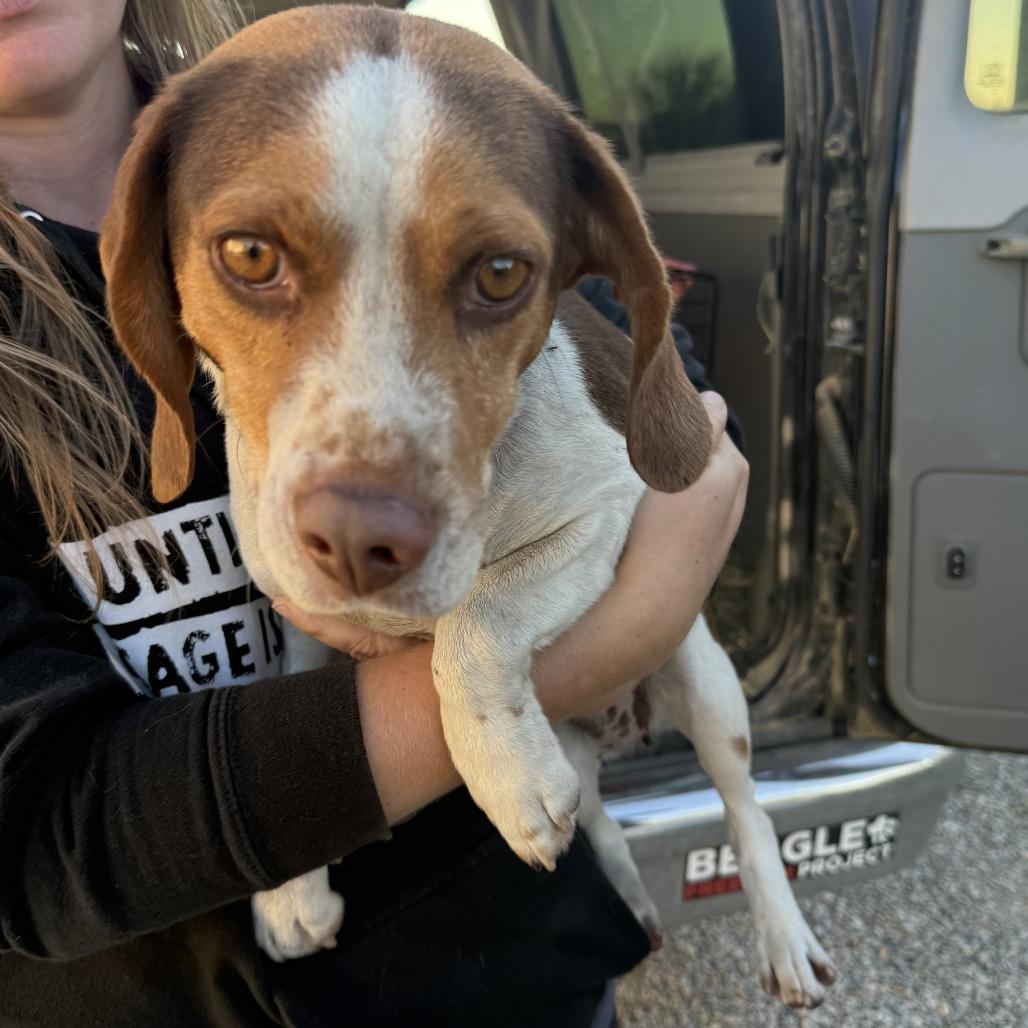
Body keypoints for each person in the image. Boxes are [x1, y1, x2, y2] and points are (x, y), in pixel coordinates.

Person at [0, 1, 748, 1025]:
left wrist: (685, 460)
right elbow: (33, 843)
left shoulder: (366, 92)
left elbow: (670, 424)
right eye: (252, 259)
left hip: (522, 977)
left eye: (492, 273)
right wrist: (597, 644)